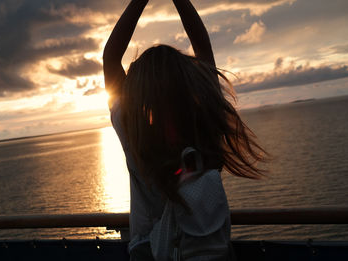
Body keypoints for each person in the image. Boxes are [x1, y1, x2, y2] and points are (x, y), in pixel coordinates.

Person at [103, 0, 267, 260]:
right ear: (188, 83)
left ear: (139, 92)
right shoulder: (203, 128)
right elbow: (202, 47)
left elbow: (110, 58)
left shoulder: (135, 136)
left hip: (150, 252)